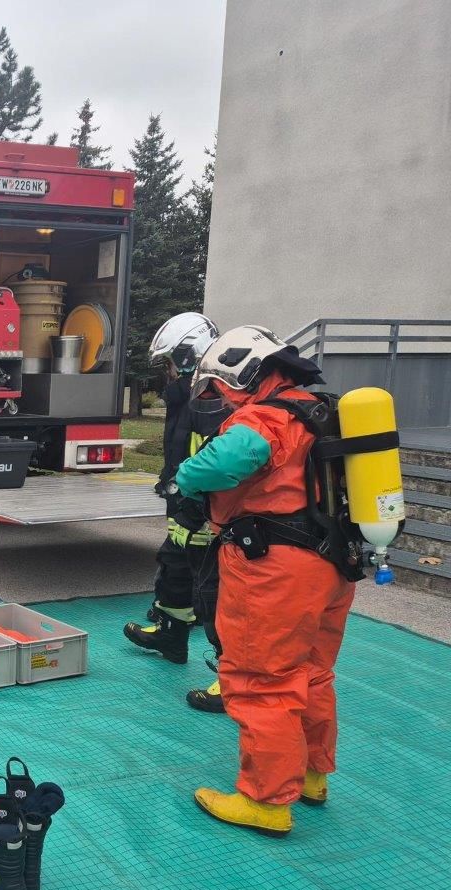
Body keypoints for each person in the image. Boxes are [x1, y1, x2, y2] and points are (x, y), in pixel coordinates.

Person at [174, 325, 353, 837]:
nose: (222, 400)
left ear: (242, 372)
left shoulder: (266, 416)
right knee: (312, 673)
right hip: (332, 562)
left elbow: (227, 460)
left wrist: (185, 477)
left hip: (275, 570)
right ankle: (313, 777)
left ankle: (267, 801)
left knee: (262, 681)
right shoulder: (320, 410)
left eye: (219, 388)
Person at [122, 312, 228, 712]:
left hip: (204, 514)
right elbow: (181, 449)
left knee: (213, 595)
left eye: (169, 361)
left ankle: (235, 681)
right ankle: (171, 636)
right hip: (184, 507)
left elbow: (213, 462)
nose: (166, 371)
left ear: (188, 356)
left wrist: (194, 509)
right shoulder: (186, 397)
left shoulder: (212, 400)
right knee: (174, 569)